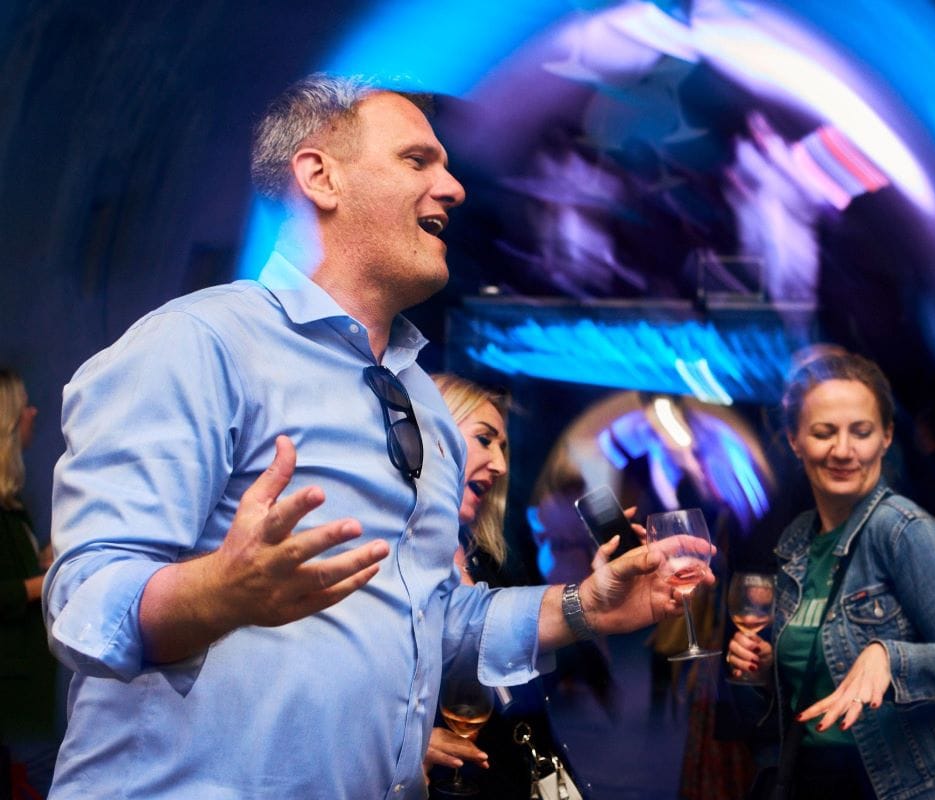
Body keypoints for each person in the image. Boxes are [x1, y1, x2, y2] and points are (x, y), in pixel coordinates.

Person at [43, 73, 704, 800]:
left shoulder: (421, 400)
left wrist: (585, 606)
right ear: (320, 177)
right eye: (417, 160)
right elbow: (84, 600)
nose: (453, 187)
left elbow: (431, 621)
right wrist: (220, 593)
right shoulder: (199, 344)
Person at [727, 353, 935, 800]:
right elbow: (814, 678)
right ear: (795, 440)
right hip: (816, 780)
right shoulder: (796, 541)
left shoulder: (906, 533)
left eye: (861, 432)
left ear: (886, 437)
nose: (843, 450)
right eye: (824, 432)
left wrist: (890, 658)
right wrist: (765, 668)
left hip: (909, 788)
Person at [422, 373, 585, 798]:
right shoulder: (388, 562)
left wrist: (594, 586)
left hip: (523, 773)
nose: (500, 465)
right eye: (484, 439)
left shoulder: (489, 558)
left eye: (503, 447)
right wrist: (404, 743)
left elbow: (536, 667)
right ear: (431, 432)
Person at [0, 368, 58, 799]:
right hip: (11, 709)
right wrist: (50, 579)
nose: (34, 412)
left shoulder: (12, 504)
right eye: (24, 405)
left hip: (26, 699)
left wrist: (47, 559)